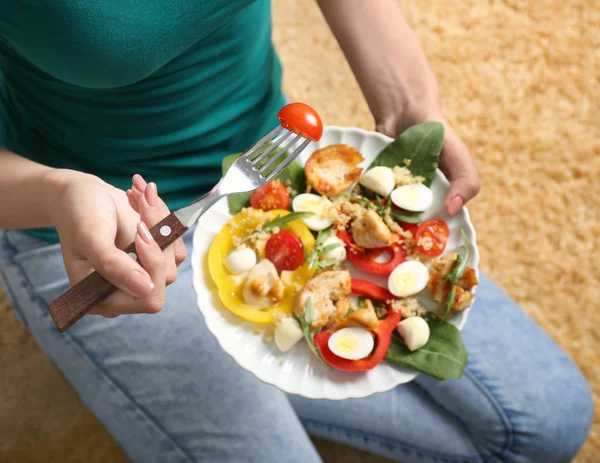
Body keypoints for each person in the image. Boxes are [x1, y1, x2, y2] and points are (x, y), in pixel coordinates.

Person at [0, 1, 593, 462]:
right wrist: (58, 191)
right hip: (88, 235)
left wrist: (412, 103)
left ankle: (257, 362)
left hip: (268, 166)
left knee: (548, 420)